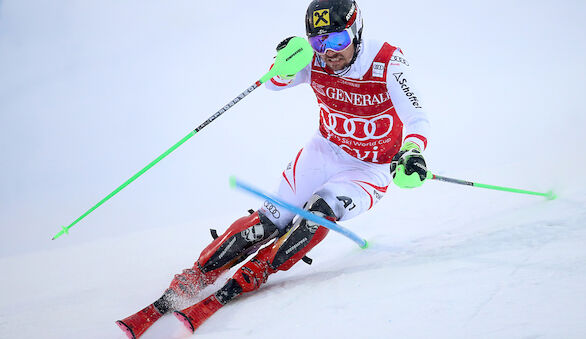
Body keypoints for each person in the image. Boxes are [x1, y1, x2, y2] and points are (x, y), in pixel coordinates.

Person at [116, 0, 430, 337]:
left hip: (369, 169)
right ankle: (196, 275)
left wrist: (411, 151)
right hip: (325, 151)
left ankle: (257, 271)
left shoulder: (386, 61)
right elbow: (273, 84)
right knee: (271, 219)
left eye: (338, 41)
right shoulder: (316, 59)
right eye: (318, 43)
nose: (329, 52)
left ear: (356, 32)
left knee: (319, 211)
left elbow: (417, 117)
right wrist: (283, 65)